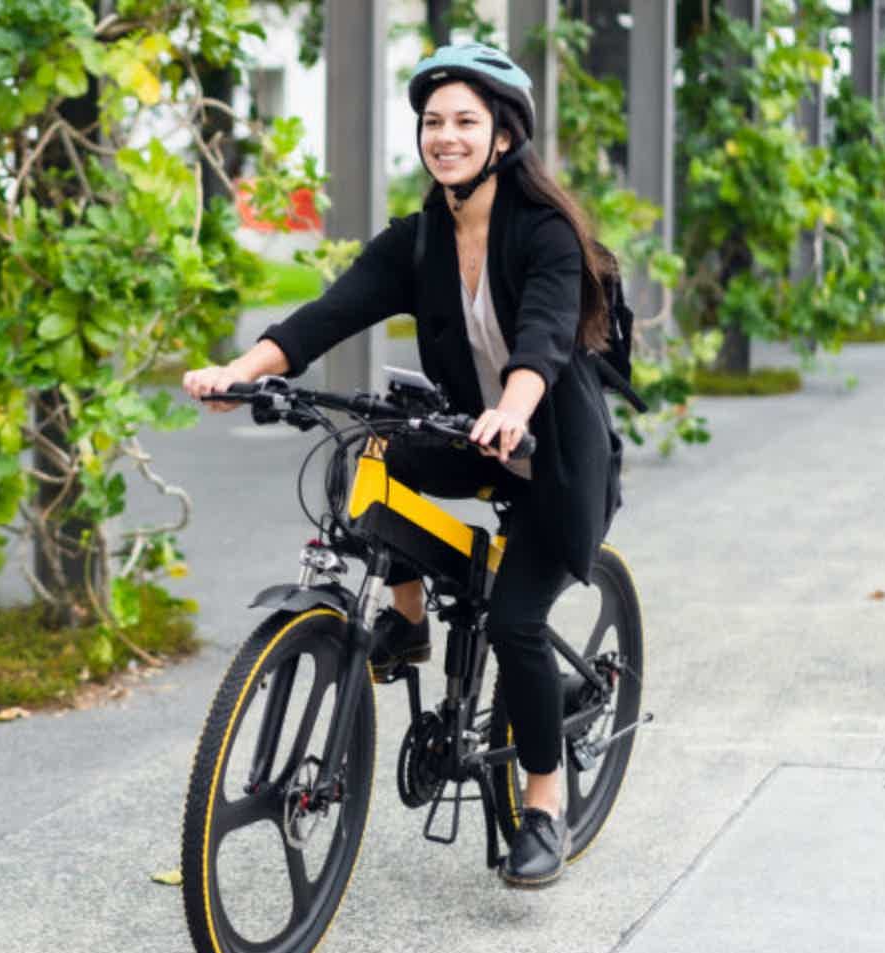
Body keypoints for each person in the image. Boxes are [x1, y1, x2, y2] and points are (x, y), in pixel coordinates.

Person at [181, 43, 623, 889]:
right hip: (470, 435)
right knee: (370, 450)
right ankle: (410, 621)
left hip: (552, 457)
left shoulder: (546, 236)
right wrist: (243, 371)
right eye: (432, 122)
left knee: (517, 623)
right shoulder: (419, 241)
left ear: (502, 137)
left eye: (465, 121)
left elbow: (543, 337)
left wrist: (513, 407)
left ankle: (543, 804)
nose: (445, 136)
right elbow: (330, 312)